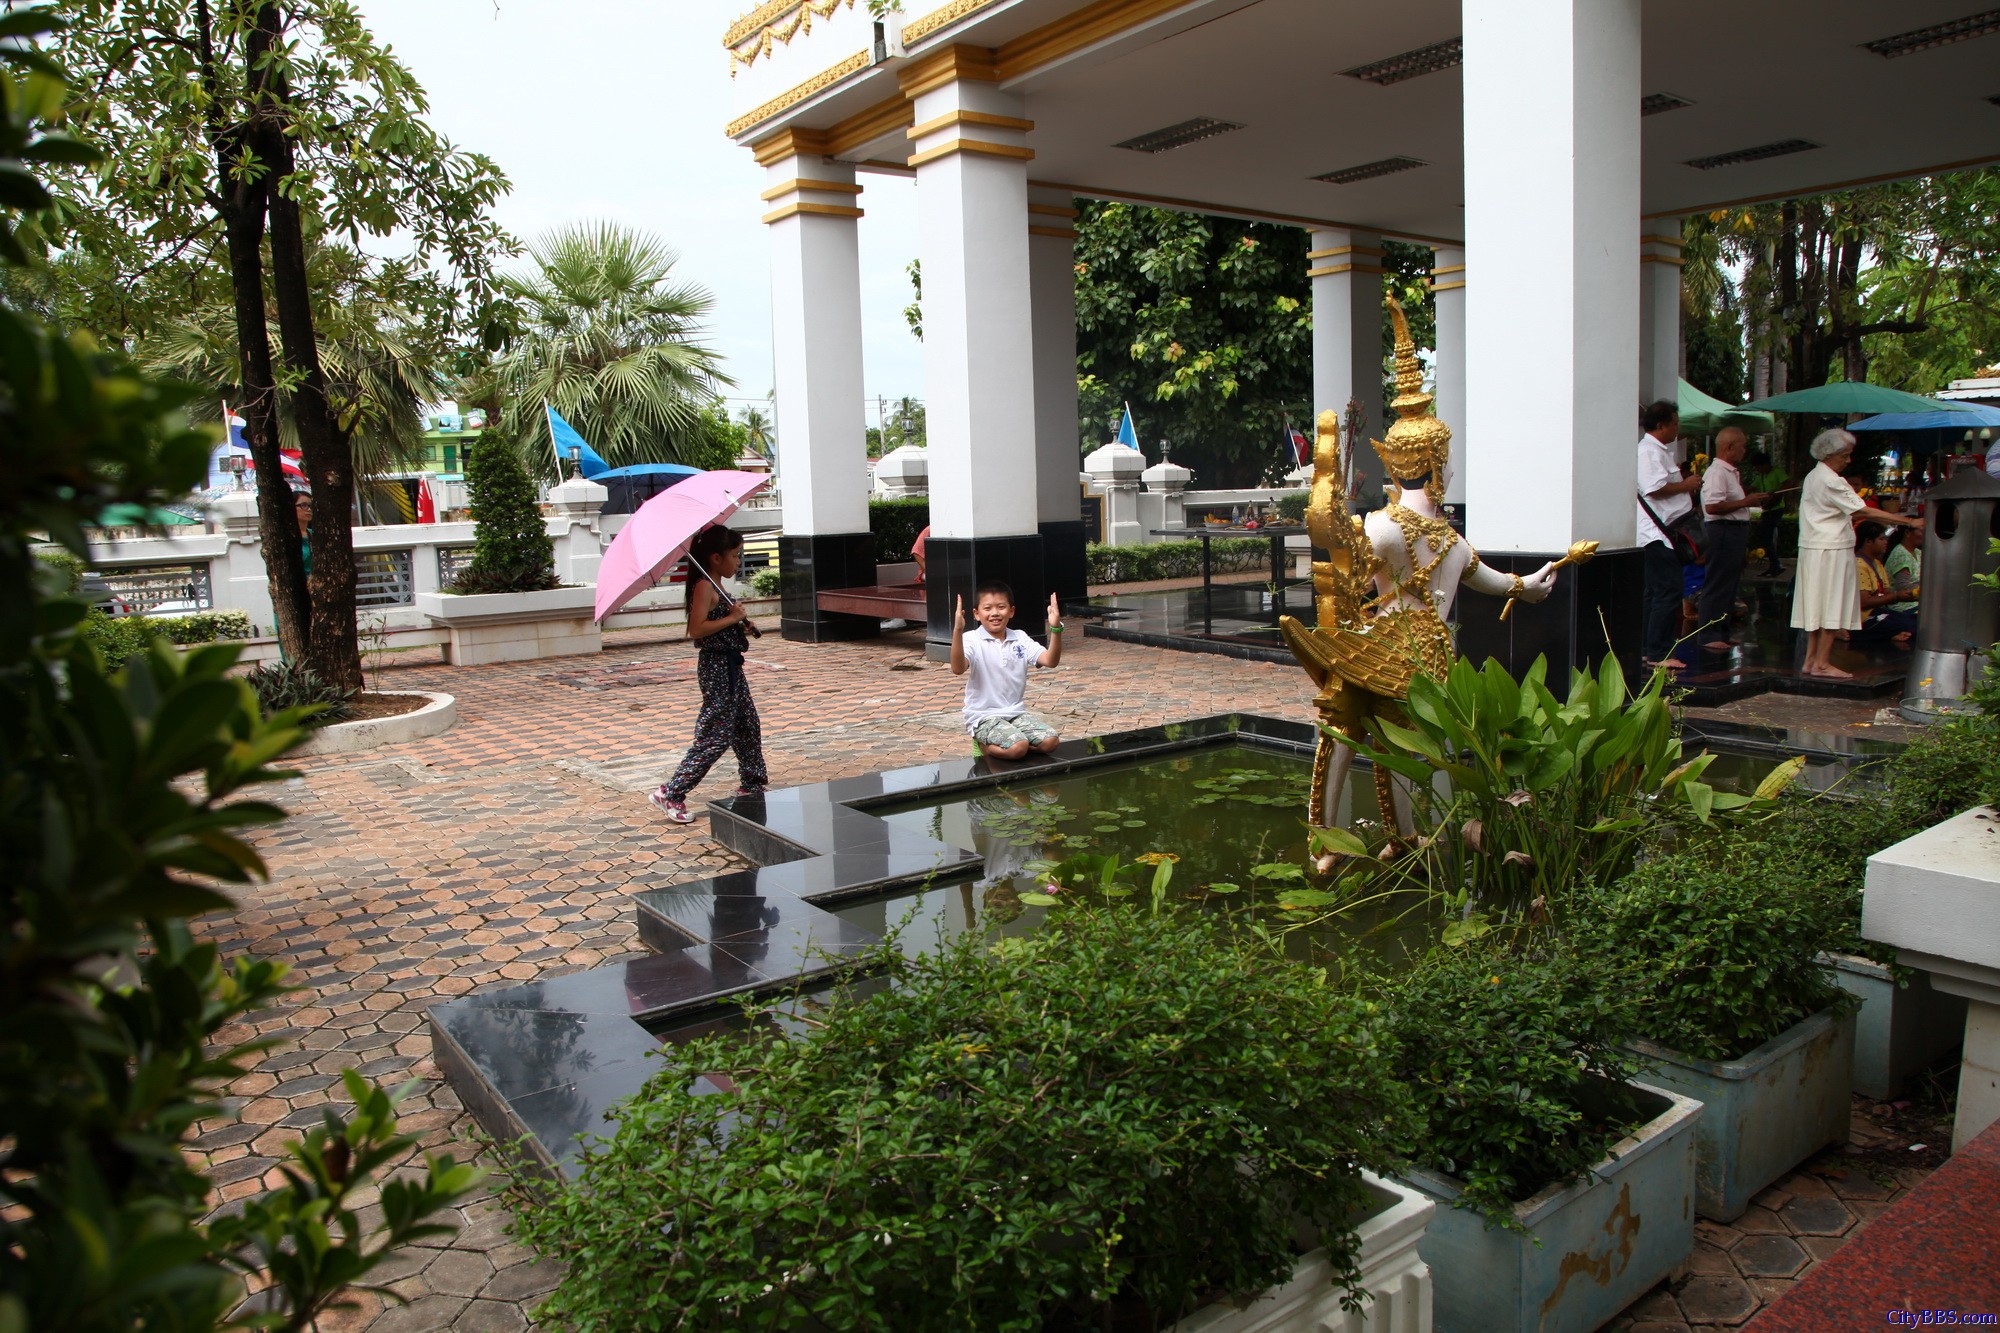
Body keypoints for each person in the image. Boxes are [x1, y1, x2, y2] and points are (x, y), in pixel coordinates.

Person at [651, 525, 768, 823]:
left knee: (747, 724)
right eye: (735, 555)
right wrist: (731, 618)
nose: (738, 562)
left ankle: (752, 784)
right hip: (717, 668)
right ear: (716, 558)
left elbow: (717, 623)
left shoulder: (717, 586)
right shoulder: (704, 586)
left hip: (730, 666)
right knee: (716, 735)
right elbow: (697, 630)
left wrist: (737, 623)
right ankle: (672, 791)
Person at [1790, 429, 1923, 678]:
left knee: (1816, 605)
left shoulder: (1813, 476)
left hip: (1813, 548)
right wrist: (1908, 522)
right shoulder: (1832, 480)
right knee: (1831, 605)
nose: (1848, 461)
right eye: (1846, 455)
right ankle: (1820, 663)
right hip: (1831, 549)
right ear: (1832, 454)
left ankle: (1811, 661)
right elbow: (1864, 511)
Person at [952, 581, 1065, 760]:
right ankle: (984, 746)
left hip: (1016, 713)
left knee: (1051, 741)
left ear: (1011, 611)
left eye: (1001, 607)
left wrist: (1055, 628)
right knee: (1017, 747)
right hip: (983, 717)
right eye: (987, 608)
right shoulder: (971, 639)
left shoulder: (1020, 637)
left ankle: (1016, 742)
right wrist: (958, 630)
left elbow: (1050, 661)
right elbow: (957, 668)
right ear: (976, 614)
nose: (995, 613)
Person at [1636, 400, 1702, 671]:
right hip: (1657, 534)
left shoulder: (1658, 452)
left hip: (1664, 533)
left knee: (1656, 593)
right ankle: (1658, 651)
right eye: (1674, 422)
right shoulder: (1648, 452)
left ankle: (1648, 648)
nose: (1677, 428)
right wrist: (1685, 484)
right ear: (1661, 424)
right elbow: (1653, 488)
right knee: (1667, 591)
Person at [1695, 427, 1771, 653]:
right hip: (1722, 530)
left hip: (1734, 530)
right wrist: (1745, 502)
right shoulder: (1717, 472)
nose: (1744, 451)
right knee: (1717, 581)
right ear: (1729, 447)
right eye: (1742, 446)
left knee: (1730, 582)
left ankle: (1723, 631)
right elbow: (1712, 506)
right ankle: (1708, 634)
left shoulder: (1730, 472)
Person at [1852, 522, 1918, 645]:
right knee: (1912, 626)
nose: (1885, 542)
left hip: (1878, 612)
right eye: (1881, 539)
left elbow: (1886, 593)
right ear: (1868, 542)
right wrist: (1897, 596)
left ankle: (1889, 633)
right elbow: (1864, 602)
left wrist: (1907, 595)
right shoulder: (1859, 564)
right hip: (1863, 618)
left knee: (1918, 622)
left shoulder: (1877, 564)